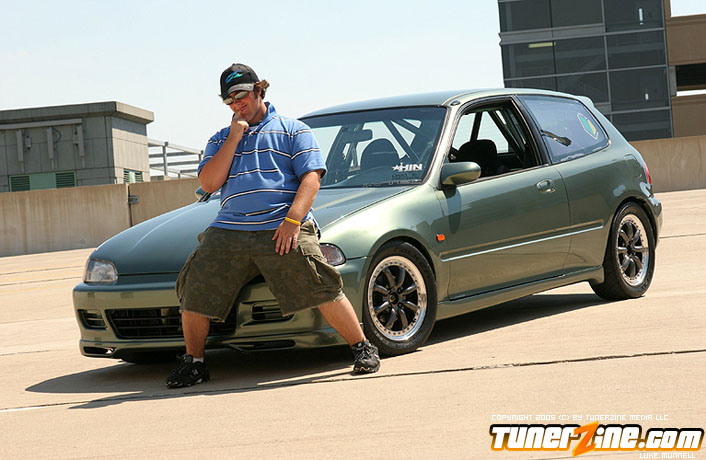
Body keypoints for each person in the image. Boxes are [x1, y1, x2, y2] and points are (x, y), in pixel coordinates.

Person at [166, 63, 380, 388]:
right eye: (229, 100)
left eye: (241, 96)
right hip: (230, 229)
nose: (236, 104)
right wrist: (234, 137)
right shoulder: (221, 138)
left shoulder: (294, 130)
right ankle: (194, 364)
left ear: (259, 91)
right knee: (194, 283)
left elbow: (311, 179)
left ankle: (362, 347)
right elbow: (209, 183)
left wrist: (293, 221)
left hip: (283, 224)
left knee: (319, 280)